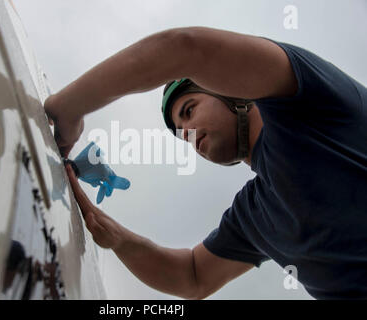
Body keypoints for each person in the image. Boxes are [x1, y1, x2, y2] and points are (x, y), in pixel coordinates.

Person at [44, 27, 367, 299]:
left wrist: (69, 107)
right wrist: (118, 239)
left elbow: (185, 48)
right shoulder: (253, 215)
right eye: (181, 134)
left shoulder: (309, 105)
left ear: (233, 94)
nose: (187, 132)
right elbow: (192, 276)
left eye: (189, 110)